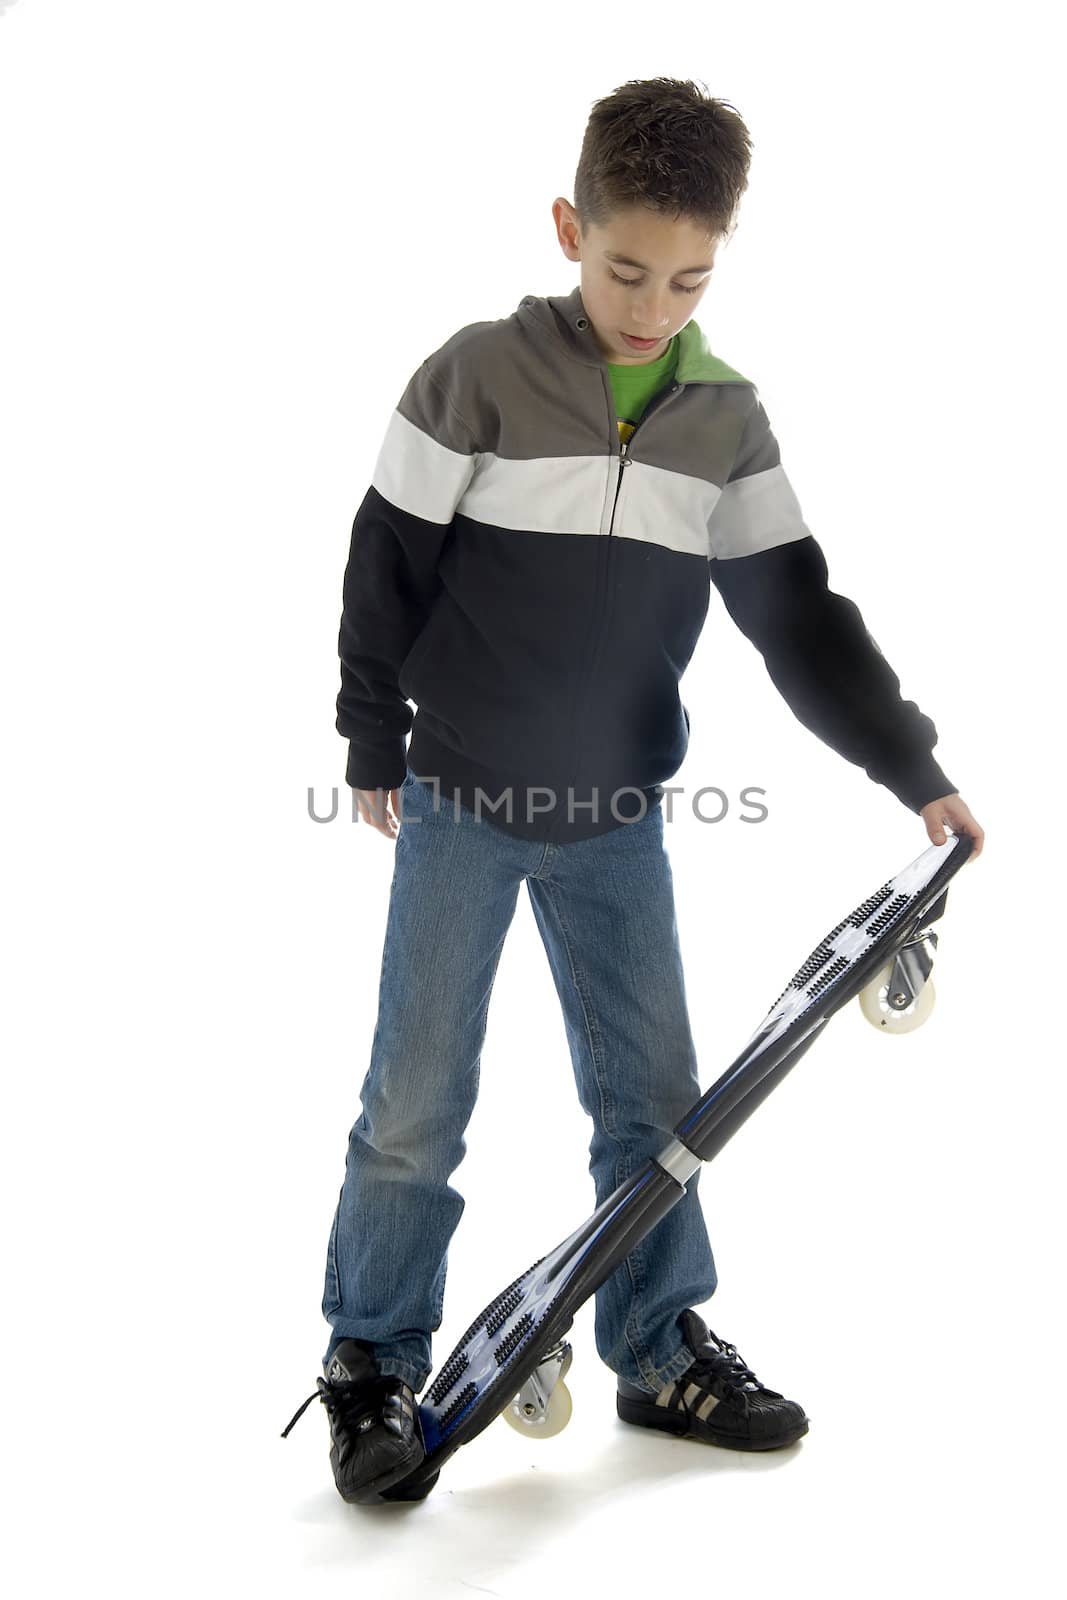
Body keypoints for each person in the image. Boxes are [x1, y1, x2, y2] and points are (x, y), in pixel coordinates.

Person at [280, 77, 985, 1505]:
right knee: (414, 1098)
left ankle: (657, 1349)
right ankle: (370, 1356)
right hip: (464, 800)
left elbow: (799, 617)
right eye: (623, 270)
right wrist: (369, 737)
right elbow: (385, 564)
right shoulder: (473, 374)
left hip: (616, 819)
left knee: (658, 1098)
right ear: (568, 228)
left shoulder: (723, 422)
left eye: (689, 279)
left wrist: (912, 768)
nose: (652, 305)